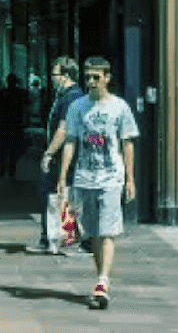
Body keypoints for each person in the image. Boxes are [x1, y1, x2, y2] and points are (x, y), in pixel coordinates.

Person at [55, 56, 139, 310]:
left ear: (107, 78)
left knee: (107, 231)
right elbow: (70, 141)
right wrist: (62, 176)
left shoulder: (119, 108)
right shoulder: (77, 107)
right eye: (88, 77)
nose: (91, 82)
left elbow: (127, 143)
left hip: (111, 178)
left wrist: (130, 179)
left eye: (96, 77)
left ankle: (102, 282)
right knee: (91, 232)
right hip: (84, 177)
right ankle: (100, 277)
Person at [27, 56, 82, 255]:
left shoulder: (71, 97)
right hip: (62, 155)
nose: (51, 78)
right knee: (58, 195)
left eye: (54, 74)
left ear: (65, 75)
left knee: (59, 195)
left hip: (63, 156)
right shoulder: (66, 95)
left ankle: (61, 238)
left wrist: (48, 153)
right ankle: (58, 238)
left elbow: (64, 129)